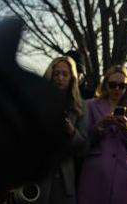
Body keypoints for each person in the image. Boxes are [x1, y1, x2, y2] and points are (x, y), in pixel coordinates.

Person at [78, 65, 127, 204]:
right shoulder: (90, 105)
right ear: (105, 84)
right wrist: (100, 127)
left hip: (124, 180)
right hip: (95, 177)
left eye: (122, 86)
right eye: (113, 84)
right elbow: (81, 142)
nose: (117, 89)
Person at [27, 56, 88, 204]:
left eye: (65, 74)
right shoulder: (36, 101)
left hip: (64, 183)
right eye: (56, 74)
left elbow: (84, 149)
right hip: (37, 179)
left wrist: (72, 131)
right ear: (50, 75)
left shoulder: (79, 107)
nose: (60, 78)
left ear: (72, 78)